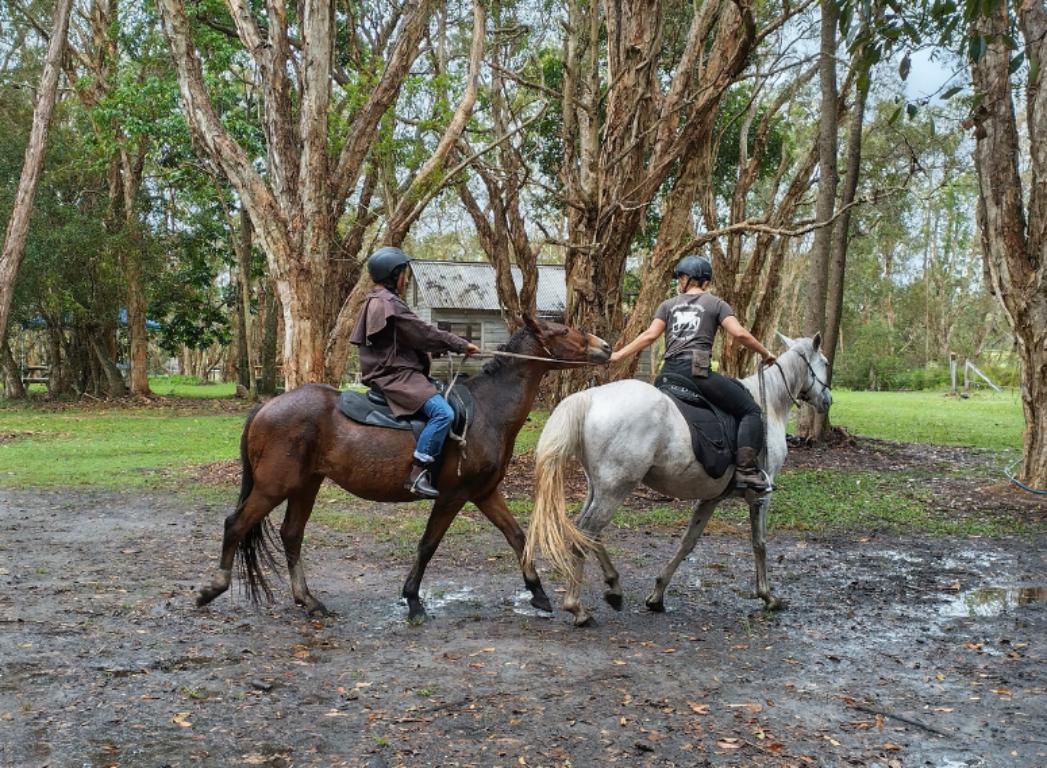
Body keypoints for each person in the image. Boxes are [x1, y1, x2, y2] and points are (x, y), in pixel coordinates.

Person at [609, 254, 776, 491]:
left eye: (680, 277)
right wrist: (765, 352)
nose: (679, 281)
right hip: (697, 374)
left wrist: (617, 355)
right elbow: (739, 334)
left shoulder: (667, 305)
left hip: (667, 374)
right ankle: (746, 471)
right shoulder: (716, 304)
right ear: (706, 282)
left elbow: (649, 336)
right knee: (750, 410)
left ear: (686, 279)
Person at [350, 246, 480, 498]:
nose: (407, 279)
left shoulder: (376, 299)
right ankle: (419, 472)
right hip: (394, 375)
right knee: (443, 413)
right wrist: (461, 344)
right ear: (393, 274)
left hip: (395, 371)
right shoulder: (389, 304)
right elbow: (423, 333)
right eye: (404, 273)